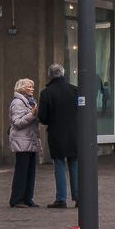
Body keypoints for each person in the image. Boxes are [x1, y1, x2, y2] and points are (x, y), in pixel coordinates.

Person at [36, 63, 78, 209]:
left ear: (50, 75)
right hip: (74, 133)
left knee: (59, 164)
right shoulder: (74, 90)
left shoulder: (46, 93)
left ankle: (61, 198)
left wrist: (49, 120)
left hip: (56, 133)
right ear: (63, 74)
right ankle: (78, 197)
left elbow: (42, 116)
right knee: (74, 164)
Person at [8, 78, 41, 208]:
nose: (32, 89)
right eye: (29, 87)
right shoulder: (17, 102)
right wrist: (32, 115)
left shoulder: (30, 102)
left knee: (30, 170)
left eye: (32, 87)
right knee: (22, 170)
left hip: (30, 140)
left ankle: (28, 198)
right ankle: (17, 199)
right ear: (22, 88)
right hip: (22, 141)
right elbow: (17, 122)